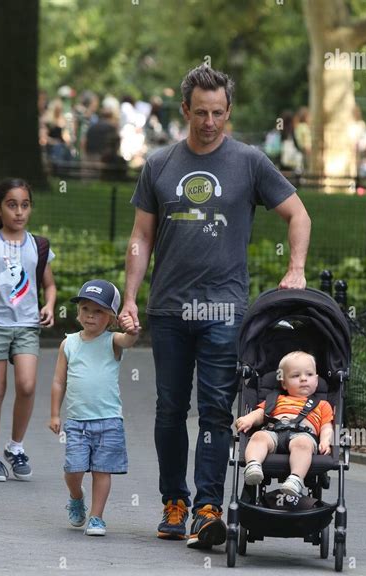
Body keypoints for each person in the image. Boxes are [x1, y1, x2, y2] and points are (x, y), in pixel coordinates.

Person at [119, 64, 311, 550]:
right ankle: (173, 502)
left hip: (223, 312)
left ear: (229, 112)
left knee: (214, 413)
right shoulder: (160, 165)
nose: (209, 122)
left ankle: (207, 509)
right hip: (167, 310)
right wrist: (129, 297)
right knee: (168, 410)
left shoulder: (248, 161)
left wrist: (296, 269)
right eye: (200, 112)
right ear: (185, 110)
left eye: (218, 113)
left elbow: (298, 213)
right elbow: (141, 237)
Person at [0, 178, 56, 482]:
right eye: (12, 205)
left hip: (26, 327)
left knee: (27, 385)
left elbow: (49, 284)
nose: (19, 212)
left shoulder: (38, 245)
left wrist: (49, 305)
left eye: (24, 205)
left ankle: (15, 447)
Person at [49, 280, 139, 536]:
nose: (90, 315)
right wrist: (55, 413)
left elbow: (129, 340)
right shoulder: (69, 344)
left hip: (109, 420)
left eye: (98, 311)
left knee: (102, 470)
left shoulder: (113, 341)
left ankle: (97, 517)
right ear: (78, 312)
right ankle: (76, 496)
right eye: (85, 308)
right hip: (77, 421)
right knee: (73, 469)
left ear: (110, 317)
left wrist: (132, 329)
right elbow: (58, 381)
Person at [236, 351, 334, 495]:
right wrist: (248, 419)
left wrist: (326, 441)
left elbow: (327, 426)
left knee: (303, 445)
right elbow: (261, 414)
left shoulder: (322, 405)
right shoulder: (276, 399)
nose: (303, 379)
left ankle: (295, 479)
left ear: (317, 379)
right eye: (295, 375)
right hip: (274, 431)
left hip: (303, 435)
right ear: (284, 383)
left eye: (309, 374)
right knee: (258, 437)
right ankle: (253, 465)